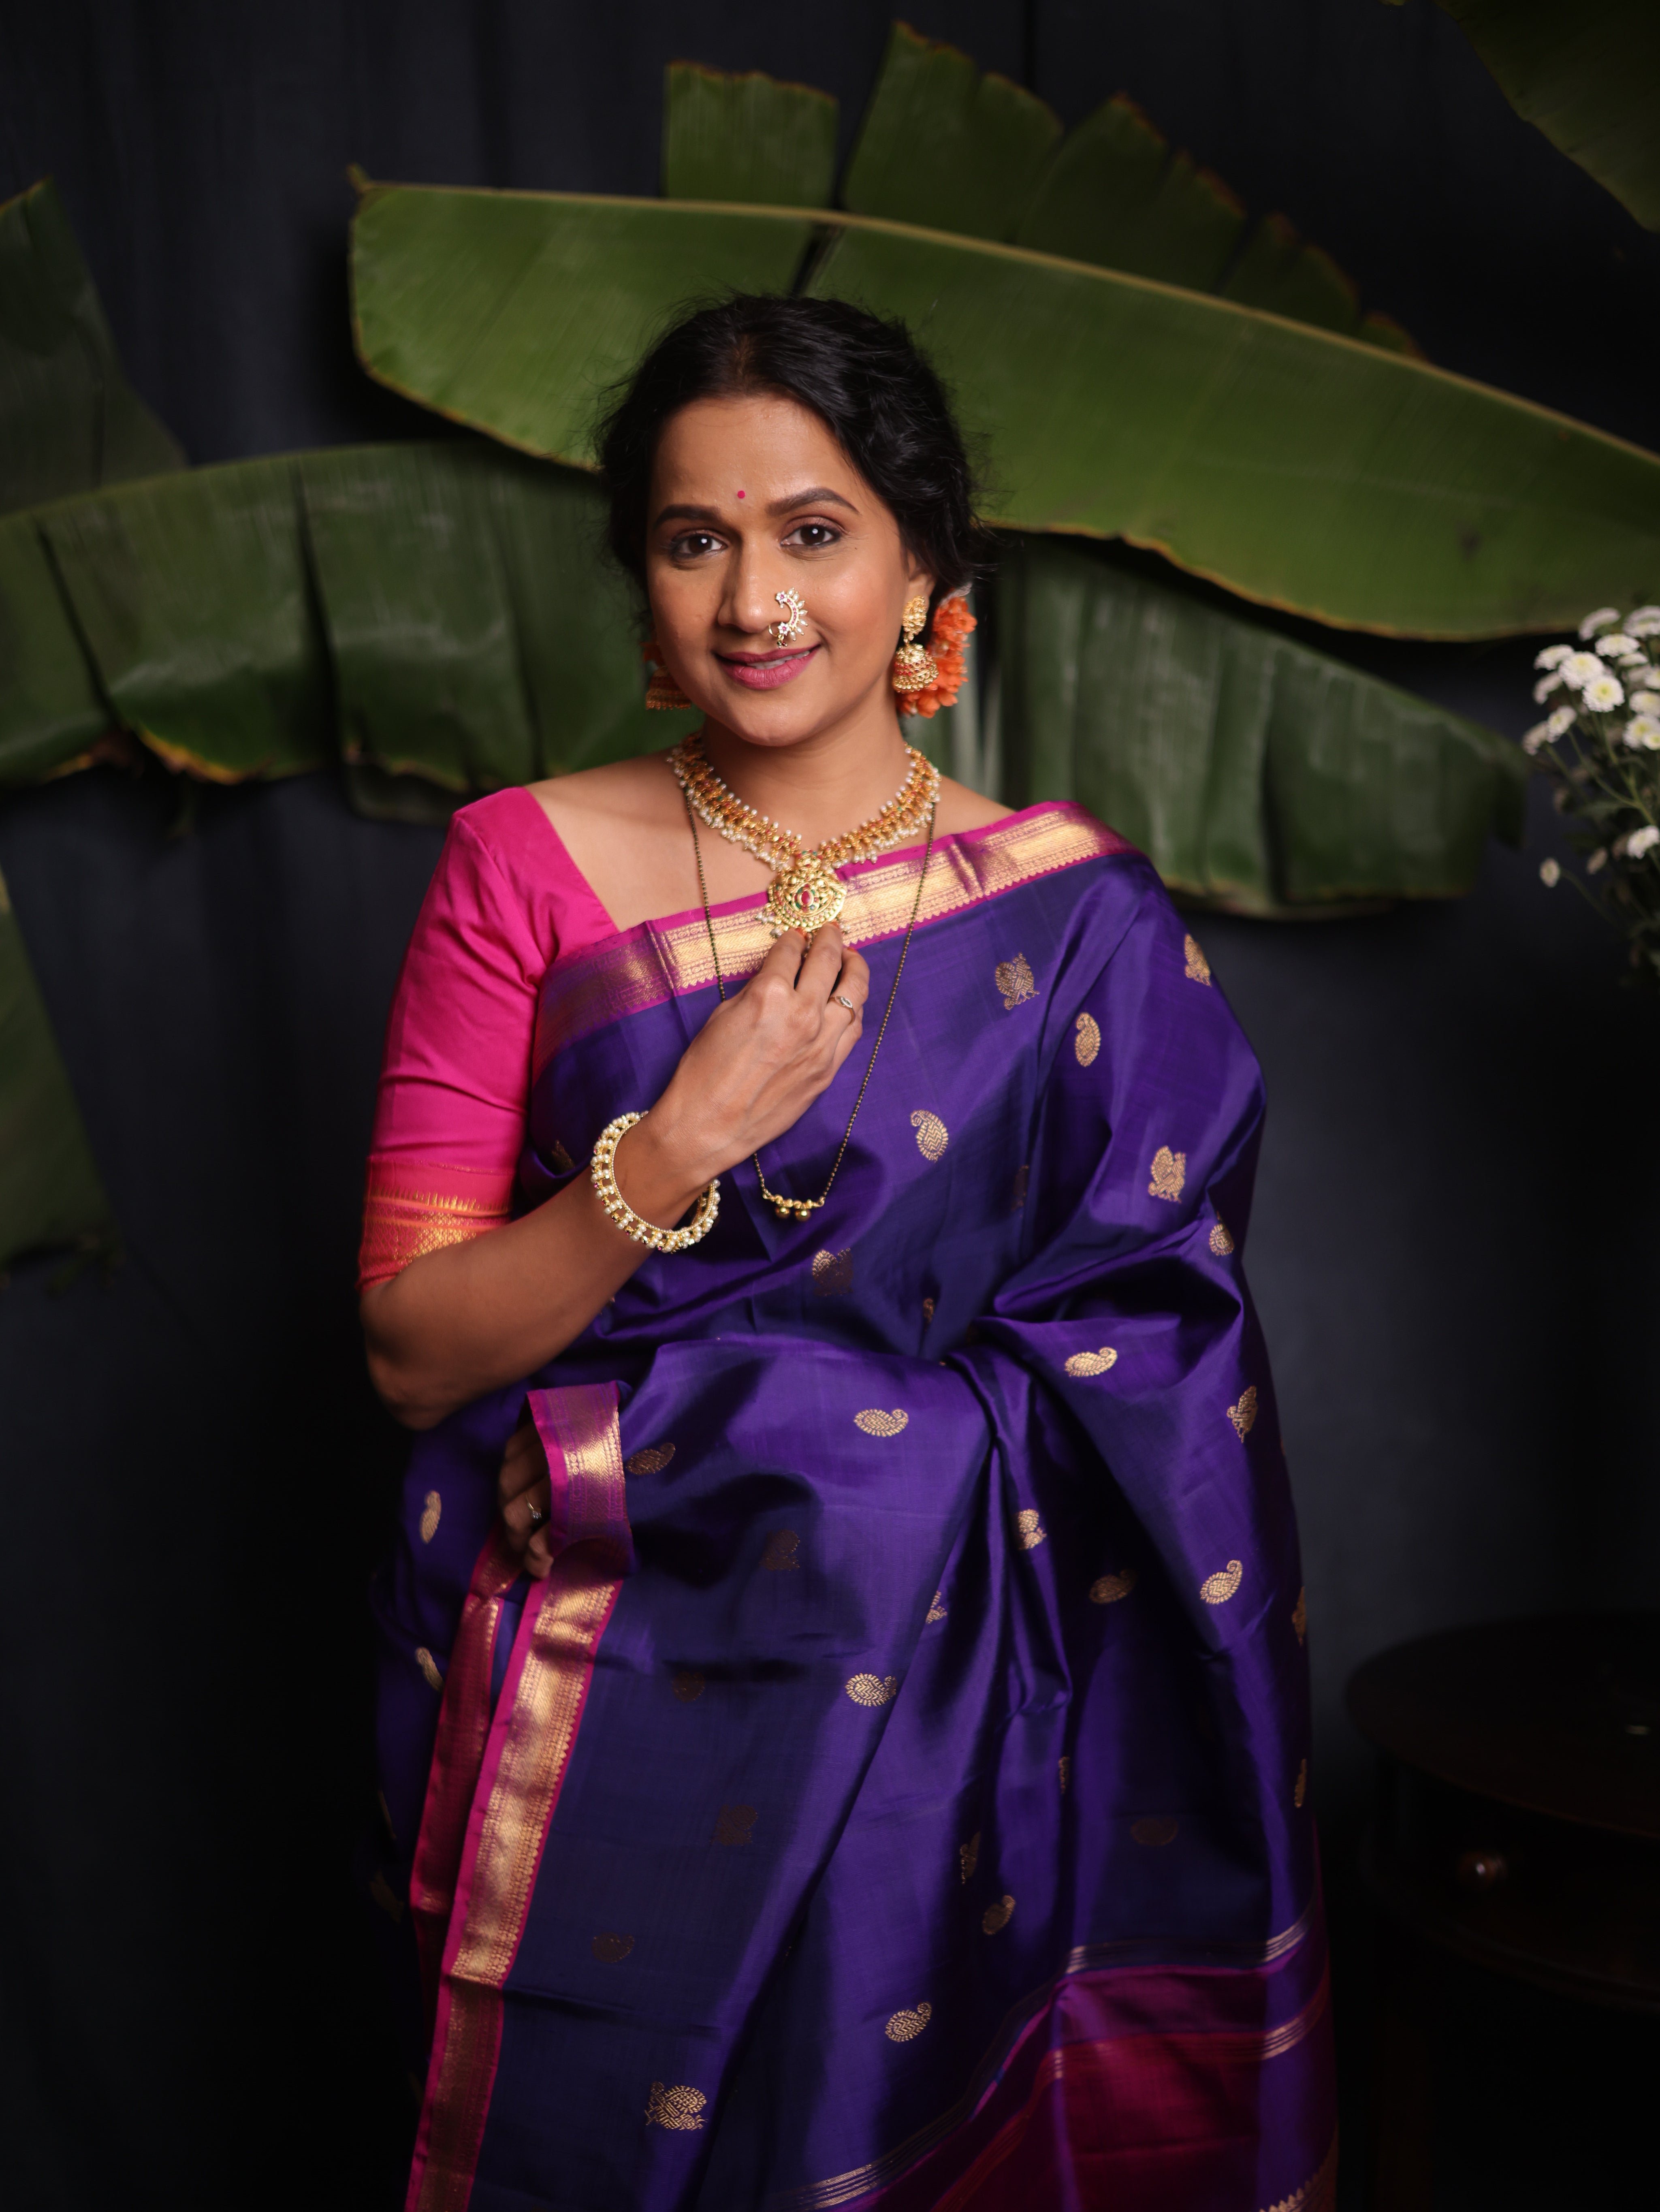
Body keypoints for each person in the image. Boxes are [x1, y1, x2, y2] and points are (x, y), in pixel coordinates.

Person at [358, 295, 1334, 2212]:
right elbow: (412, 1352)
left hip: (967, 1715)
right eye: (691, 539)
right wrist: (674, 1147)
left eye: (812, 532)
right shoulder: (520, 864)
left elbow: (1154, 1344)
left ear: (921, 570)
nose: (753, 601)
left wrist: (760, 1456)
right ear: (640, 584)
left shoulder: (1074, 917)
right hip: (609, 1679)